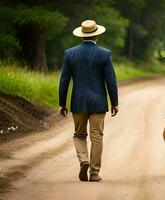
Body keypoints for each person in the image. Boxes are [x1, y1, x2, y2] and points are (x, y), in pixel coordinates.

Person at [59, 20, 119, 182]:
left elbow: (64, 80)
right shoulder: (104, 54)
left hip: (78, 102)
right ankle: (94, 173)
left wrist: (62, 103)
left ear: (82, 35)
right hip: (98, 102)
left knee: (79, 135)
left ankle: (83, 160)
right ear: (97, 34)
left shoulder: (70, 53)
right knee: (97, 137)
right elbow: (111, 81)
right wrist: (114, 102)